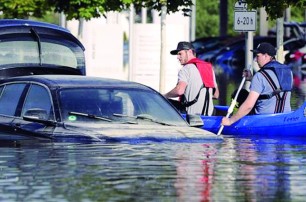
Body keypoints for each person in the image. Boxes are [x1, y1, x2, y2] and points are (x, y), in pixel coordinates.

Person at [222, 42, 293, 126]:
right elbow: (272, 87)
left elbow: (249, 105)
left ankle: (234, 118)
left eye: (257, 56)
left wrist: (230, 121)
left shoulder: (260, 75)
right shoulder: (288, 71)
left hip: (264, 120)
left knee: (240, 94)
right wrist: (251, 79)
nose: (255, 59)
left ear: (266, 56)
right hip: (285, 117)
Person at [164, 41, 219, 115]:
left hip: (191, 116)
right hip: (208, 115)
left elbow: (179, 91)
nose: (177, 57)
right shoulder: (209, 68)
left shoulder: (186, 69)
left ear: (189, 52)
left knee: (163, 102)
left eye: (180, 54)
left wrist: (164, 96)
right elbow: (216, 95)